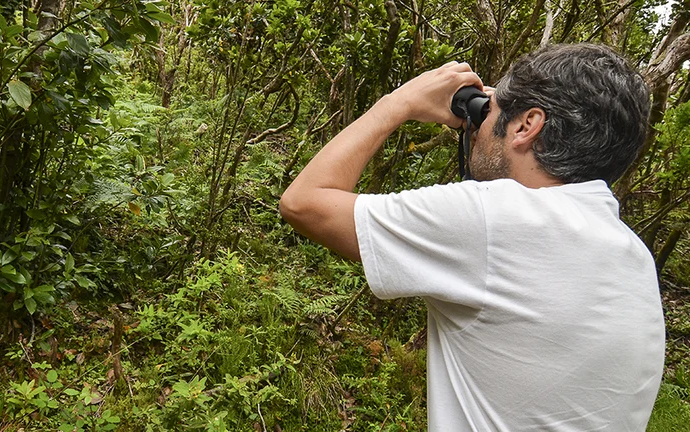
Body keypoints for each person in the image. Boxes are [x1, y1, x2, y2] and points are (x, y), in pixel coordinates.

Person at [279, 43, 665, 431]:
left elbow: (303, 202)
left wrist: (398, 102)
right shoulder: (635, 259)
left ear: (527, 126)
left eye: (489, 112)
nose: (477, 129)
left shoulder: (495, 217)